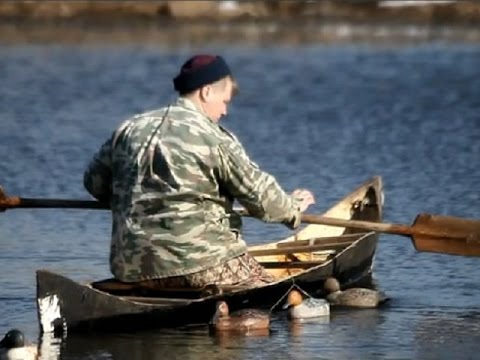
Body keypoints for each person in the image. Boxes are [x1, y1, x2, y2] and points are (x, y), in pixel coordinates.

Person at [83, 54, 315, 290]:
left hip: (132, 268)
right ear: (206, 92)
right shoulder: (213, 138)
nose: (224, 111)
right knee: (281, 292)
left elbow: (94, 185)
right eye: (224, 101)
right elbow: (261, 199)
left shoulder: (129, 129)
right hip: (203, 266)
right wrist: (292, 207)